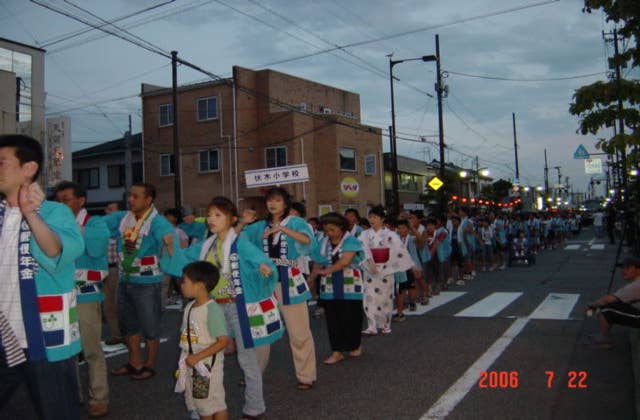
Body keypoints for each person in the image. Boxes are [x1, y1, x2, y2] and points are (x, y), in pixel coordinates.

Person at [161, 196, 281, 419]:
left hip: (239, 308)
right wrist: (170, 246)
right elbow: (183, 261)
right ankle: (202, 405)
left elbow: (264, 263)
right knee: (202, 354)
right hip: (213, 308)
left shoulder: (240, 244)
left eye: (217, 215)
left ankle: (255, 407)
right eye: (209, 215)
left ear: (232, 219)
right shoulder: (205, 245)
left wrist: (265, 269)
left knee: (247, 360)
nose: (211, 219)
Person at [0, 134, 84, 420]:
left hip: (45, 338)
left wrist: (31, 215)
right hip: (4, 334)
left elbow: (56, 253)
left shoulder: (55, 212)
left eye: (1, 162)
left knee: (58, 412)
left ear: (28, 168)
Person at [241, 187, 317, 391]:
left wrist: (283, 229)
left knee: (299, 331)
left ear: (286, 203)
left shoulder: (296, 222)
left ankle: (306, 375)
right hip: (264, 281)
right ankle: (253, 374)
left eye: (277, 200)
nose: (272, 204)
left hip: (290, 280)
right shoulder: (259, 226)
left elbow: (309, 242)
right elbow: (236, 241)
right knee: (260, 330)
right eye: (269, 200)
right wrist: (242, 223)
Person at [103, 183, 175, 380]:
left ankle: (149, 364)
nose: (130, 199)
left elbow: (170, 239)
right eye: (129, 196)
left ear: (148, 199)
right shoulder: (123, 218)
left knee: (151, 326)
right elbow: (101, 225)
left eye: (135, 196)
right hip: (124, 279)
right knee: (128, 325)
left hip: (148, 281)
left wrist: (169, 242)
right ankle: (135, 362)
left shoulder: (157, 222)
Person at [54, 181, 111, 418]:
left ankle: (99, 397)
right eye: (57, 200)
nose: (61, 204)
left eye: (66, 199)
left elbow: (97, 250)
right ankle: (72, 396)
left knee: (91, 350)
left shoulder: (95, 223)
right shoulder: (54, 226)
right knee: (64, 351)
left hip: (86, 294)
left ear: (81, 201)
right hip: (60, 297)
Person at [309, 212, 365, 364]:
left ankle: (355, 344)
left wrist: (326, 271)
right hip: (329, 287)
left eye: (332, 230)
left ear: (341, 227)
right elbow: (318, 263)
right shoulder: (323, 242)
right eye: (326, 230)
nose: (329, 233)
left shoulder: (351, 241)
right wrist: (311, 280)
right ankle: (337, 350)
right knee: (333, 319)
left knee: (352, 317)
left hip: (350, 285)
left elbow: (345, 261)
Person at [176, 261, 229, 420]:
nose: (181, 285)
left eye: (185, 281)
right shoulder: (190, 307)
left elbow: (222, 341)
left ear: (199, 285)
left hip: (206, 366)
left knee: (209, 404)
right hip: (193, 363)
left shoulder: (212, 310)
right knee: (200, 402)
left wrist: (197, 357)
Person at [359, 205, 413, 335]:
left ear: (382, 219)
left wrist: (387, 265)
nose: (372, 219)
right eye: (370, 217)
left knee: (385, 299)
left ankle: (385, 324)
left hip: (385, 270)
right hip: (369, 270)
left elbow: (399, 250)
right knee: (368, 297)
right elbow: (361, 248)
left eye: (375, 217)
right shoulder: (364, 234)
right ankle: (371, 325)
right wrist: (369, 261)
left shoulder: (390, 234)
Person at [585, 257, 640, 348]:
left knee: (605, 308)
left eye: (627, 268)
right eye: (622, 268)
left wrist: (590, 305)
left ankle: (605, 339)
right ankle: (604, 335)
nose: (623, 271)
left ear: (637, 268)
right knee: (610, 305)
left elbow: (607, 299)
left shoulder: (636, 285)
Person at [103, 202, 124, 347]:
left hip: (118, 270)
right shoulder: (102, 230)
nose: (109, 213)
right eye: (108, 209)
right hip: (103, 271)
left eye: (112, 210)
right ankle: (116, 334)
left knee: (120, 303)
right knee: (108, 304)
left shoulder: (124, 231)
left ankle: (127, 333)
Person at [393, 219, 423, 321]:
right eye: (399, 228)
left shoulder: (411, 238)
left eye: (403, 228)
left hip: (411, 266)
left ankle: (412, 301)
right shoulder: (396, 239)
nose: (401, 230)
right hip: (400, 267)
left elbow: (420, 239)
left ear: (407, 229)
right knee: (401, 288)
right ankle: (401, 309)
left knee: (411, 286)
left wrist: (412, 227)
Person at [164, 208, 189, 308]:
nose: (166, 218)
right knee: (167, 285)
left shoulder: (179, 231)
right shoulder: (163, 231)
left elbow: (184, 246)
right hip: (166, 263)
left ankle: (186, 303)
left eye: (169, 216)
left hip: (177, 263)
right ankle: (168, 301)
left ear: (175, 218)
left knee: (181, 284)